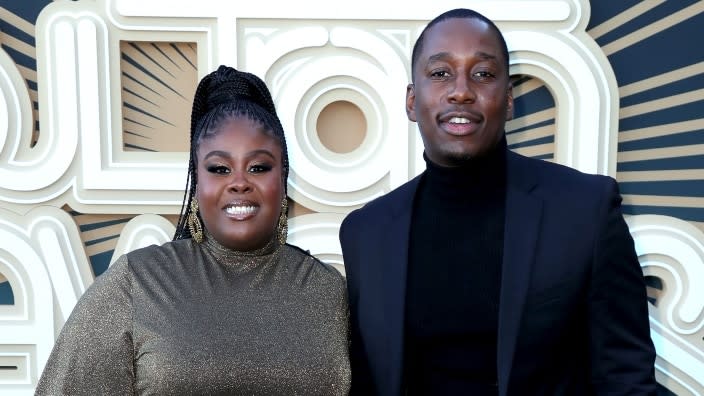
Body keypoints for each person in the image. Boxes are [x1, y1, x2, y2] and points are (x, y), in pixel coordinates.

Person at [339, 8, 656, 396]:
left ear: (507, 100)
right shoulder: (365, 233)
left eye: (483, 74)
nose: (461, 90)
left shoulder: (586, 211)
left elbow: (625, 379)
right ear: (411, 100)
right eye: (440, 74)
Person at [36, 65, 350, 395]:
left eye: (258, 167)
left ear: (282, 177)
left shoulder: (329, 293)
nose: (239, 182)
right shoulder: (138, 284)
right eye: (219, 168)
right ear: (197, 182)